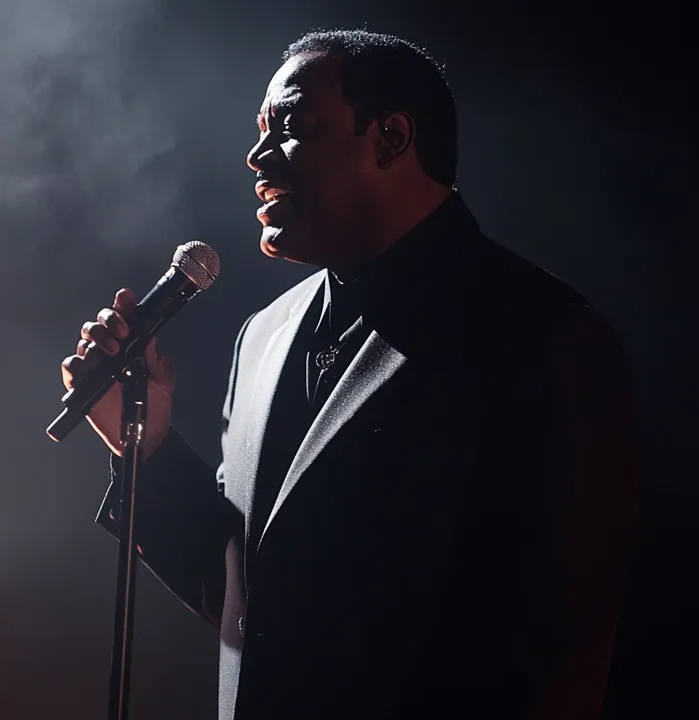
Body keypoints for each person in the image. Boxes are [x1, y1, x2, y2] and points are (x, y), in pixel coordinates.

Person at [62, 29, 639, 720]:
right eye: (257, 130)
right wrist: (146, 446)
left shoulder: (541, 335)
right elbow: (246, 598)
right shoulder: (264, 337)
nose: (257, 155)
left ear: (391, 138)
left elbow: (555, 656)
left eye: (290, 126)